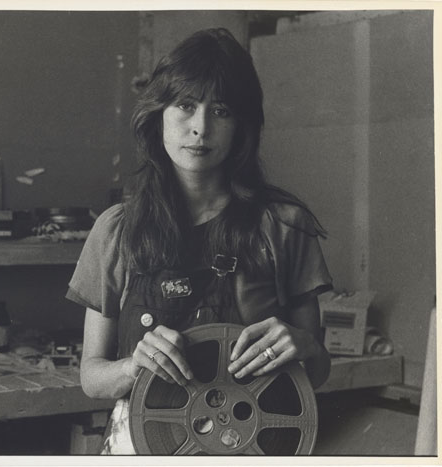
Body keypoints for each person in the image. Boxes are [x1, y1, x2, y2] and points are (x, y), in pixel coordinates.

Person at [65, 27, 332, 455]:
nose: (201, 128)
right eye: (186, 106)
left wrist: (303, 344)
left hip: (251, 445)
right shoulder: (116, 230)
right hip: (144, 444)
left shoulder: (283, 225)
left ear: (242, 124)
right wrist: (136, 365)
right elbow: (91, 377)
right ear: (159, 114)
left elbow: (315, 372)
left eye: (221, 110)